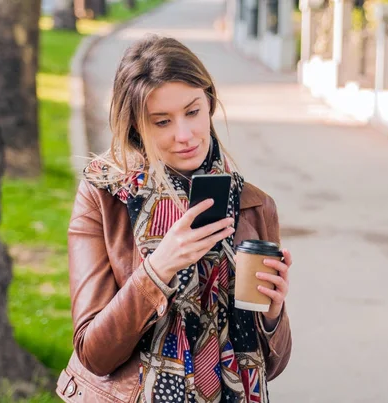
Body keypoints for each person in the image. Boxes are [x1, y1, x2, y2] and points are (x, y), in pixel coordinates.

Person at [55, 35, 292, 403]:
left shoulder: (254, 206)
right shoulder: (104, 197)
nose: (184, 136)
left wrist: (272, 316)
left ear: (209, 102)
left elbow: (269, 368)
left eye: (193, 112)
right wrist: (157, 270)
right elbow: (95, 354)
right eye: (162, 121)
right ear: (136, 125)